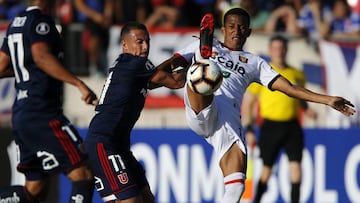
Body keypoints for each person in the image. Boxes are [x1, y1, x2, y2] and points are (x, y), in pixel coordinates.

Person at [162, 7, 356, 202]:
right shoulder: (204, 45)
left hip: (226, 123)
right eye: (231, 26)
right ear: (224, 28)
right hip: (203, 105)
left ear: (248, 32)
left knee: (236, 188)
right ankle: (203, 63)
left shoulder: (255, 63)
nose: (236, 31)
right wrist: (143, 81)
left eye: (241, 27)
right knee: (202, 76)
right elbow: (169, 64)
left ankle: (203, 67)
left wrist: (328, 100)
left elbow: (289, 88)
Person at [0, 0, 99, 202]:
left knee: (35, 191)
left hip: (22, 114)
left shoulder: (16, 23)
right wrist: (78, 83)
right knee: (84, 173)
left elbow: (1, 67)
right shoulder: (40, 20)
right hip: (42, 112)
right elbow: (42, 57)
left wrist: (25, 70)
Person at [84, 21, 185, 203]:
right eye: (139, 42)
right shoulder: (136, 64)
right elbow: (177, 82)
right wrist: (190, 63)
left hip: (118, 145)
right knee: (131, 200)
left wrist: (177, 60)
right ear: (124, 44)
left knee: (146, 199)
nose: (145, 46)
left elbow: (155, 78)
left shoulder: (130, 65)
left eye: (147, 41)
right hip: (104, 142)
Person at [242, 34, 317, 203]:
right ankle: (257, 200)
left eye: (282, 48)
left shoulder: (296, 74)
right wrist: (249, 128)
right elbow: (249, 104)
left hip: (292, 126)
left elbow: (299, 97)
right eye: (275, 48)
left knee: (296, 168)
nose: (279, 51)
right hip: (270, 126)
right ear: (270, 51)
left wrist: (307, 109)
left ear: (286, 50)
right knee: (266, 171)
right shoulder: (262, 72)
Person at [74, 0, 113, 77]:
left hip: (101, 19)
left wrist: (107, 15)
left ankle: (103, 65)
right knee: (94, 38)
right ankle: (94, 65)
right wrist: (95, 16)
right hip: (87, 19)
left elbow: (109, 4)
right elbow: (79, 5)